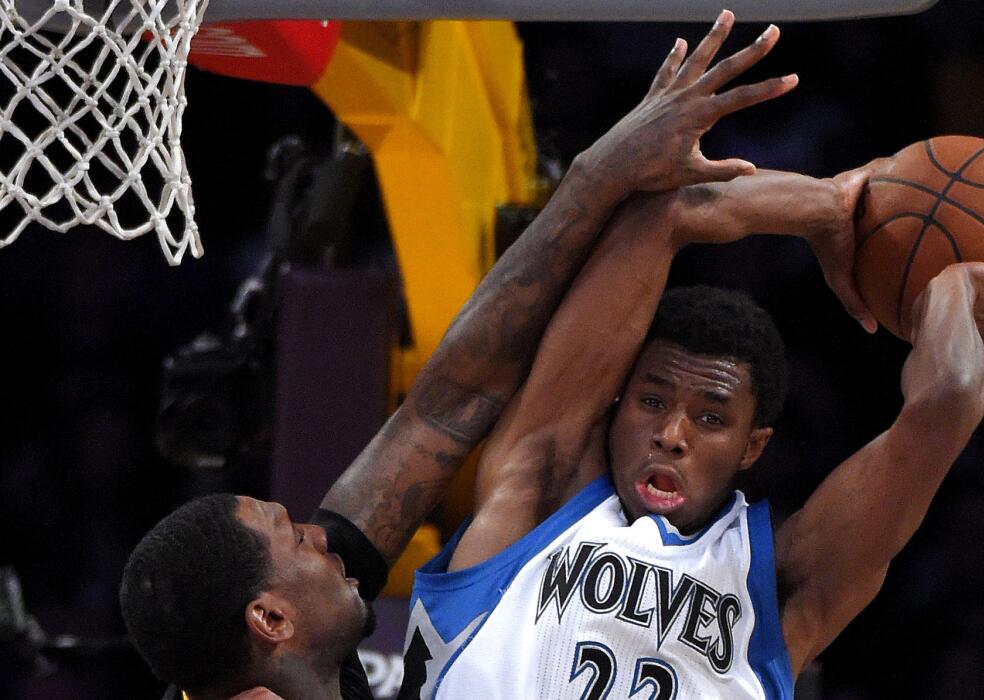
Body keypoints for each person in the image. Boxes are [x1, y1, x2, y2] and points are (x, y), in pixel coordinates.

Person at [117, 12, 810, 700]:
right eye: (298, 539)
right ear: (270, 618)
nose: (322, 538)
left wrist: (598, 176)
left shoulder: (295, 658)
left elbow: (447, 406)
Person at [397, 157, 984, 697]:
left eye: (711, 417)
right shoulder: (536, 499)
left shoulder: (781, 585)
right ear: (614, 405)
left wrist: (949, 289)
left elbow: (948, 399)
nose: (673, 435)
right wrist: (825, 204)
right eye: (652, 402)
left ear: (754, 448)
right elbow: (662, 220)